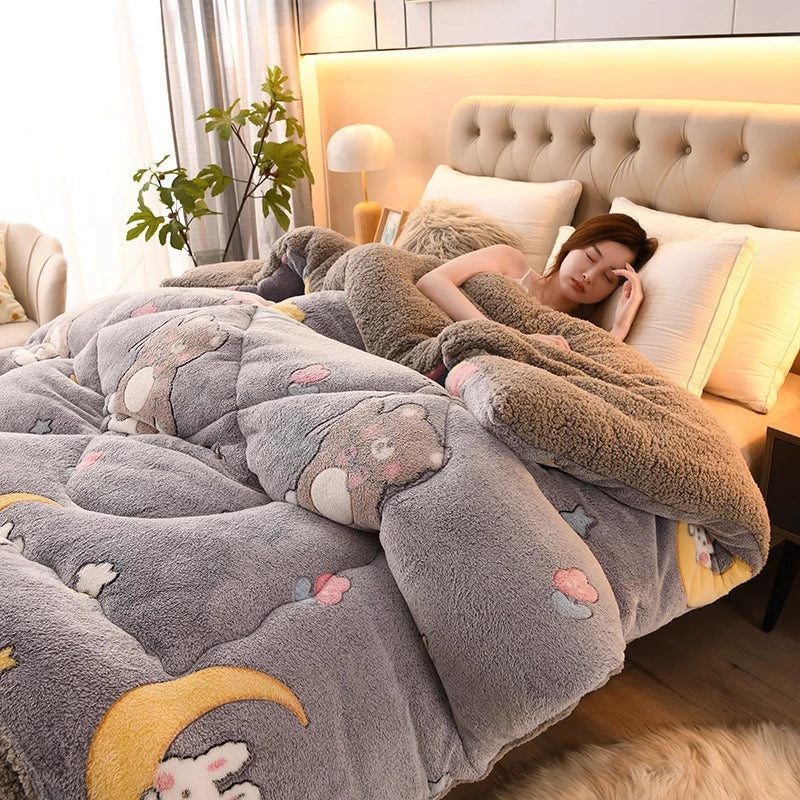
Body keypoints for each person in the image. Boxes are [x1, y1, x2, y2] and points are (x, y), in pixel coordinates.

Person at [415, 213, 658, 347]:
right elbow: (432, 281)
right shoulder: (510, 262)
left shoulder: (574, 332)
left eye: (607, 277)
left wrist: (620, 328)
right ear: (571, 246)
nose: (589, 276)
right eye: (590, 257)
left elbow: (585, 376)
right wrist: (509, 336)